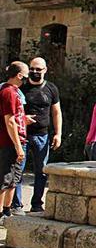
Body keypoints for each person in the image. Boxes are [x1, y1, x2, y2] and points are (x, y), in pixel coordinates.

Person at [12, 57, 61, 214]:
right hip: (23, 136)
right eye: (32, 69)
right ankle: (16, 205)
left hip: (43, 136)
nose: (34, 72)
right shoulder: (21, 88)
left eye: (38, 69)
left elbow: (56, 112)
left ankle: (37, 204)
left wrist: (58, 133)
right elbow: (11, 113)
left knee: (41, 171)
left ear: (45, 70)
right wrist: (22, 120)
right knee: (18, 170)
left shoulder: (51, 89)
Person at [0, 62, 28, 225]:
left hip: (16, 140)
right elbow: (9, 121)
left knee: (13, 179)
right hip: (10, 143)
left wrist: (24, 120)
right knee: (6, 178)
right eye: (25, 75)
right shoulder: (9, 92)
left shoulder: (13, 92)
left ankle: (6, 210)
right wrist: (18, 147)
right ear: (19, 75)